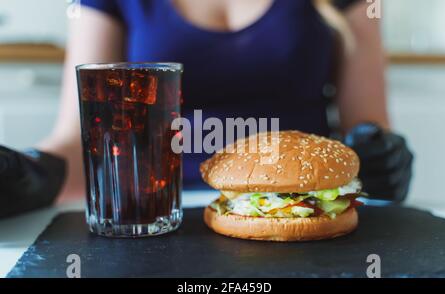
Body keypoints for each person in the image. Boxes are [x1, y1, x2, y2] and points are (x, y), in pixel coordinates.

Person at [0, 0, 413, 218]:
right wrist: (30, 174)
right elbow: (82, 142)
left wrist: (379, 156)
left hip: (304, 205)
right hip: (154, 214)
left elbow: (368, 124)